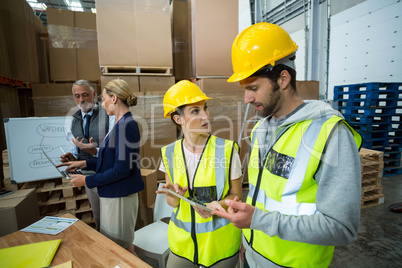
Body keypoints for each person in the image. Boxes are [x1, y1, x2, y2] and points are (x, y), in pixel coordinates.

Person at [212, 22, 363, 267]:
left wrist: (258, 221)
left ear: (283, 79)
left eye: (253, 88)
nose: (247, 99)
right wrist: (245, 231)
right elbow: (264, 195)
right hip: (251, 254)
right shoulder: (262, 128)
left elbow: (341, 228)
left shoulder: (330, 133)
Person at [157, 80, 242, 267]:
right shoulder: (169, 153)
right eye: (195, 111)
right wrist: (174, 195)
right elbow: (173, 204)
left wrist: (215, 206)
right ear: (178, 119)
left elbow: (237, 196)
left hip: (220, 245)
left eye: (205, 108)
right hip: (182, 245)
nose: (206, 116)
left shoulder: (227, 150)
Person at [57, 79, 144, 254]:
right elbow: (111, 160)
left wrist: (87, 180)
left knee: (121, 248)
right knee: (120, 246)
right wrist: (83, 162)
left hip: (120, 196)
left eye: (104, 99)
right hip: (114, 195)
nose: (102, 103)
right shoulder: (119, 124)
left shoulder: (127, 125)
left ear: (114, 99)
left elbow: (122, 169)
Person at [60, 80, 115, 231]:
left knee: (113, 219)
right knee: (98, 217)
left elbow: (112, 149)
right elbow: (74, 149)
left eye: (85, 95)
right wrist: (71, 157)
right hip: (88, 175)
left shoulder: (108, 114)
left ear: (94, 95)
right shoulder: (74, 119)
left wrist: (95, 150)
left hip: (108, 175)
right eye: (77, 96)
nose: (81, 100)